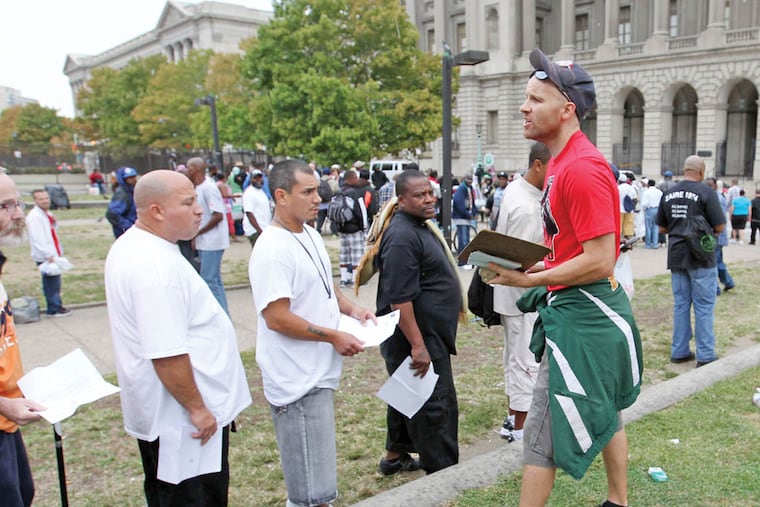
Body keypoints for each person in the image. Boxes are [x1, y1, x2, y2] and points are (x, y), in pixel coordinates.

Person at [487, 48, 643, 507]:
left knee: (539, 433)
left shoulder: (581, 167)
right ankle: (618, 501)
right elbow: (574, 249)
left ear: (566, 109)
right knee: (606, 405)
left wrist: (530, 282)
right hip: (579, 309)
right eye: (526, 98)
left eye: (535, 98)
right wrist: (537, 266)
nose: (523, 107)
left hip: (585, 314)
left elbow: (601, 260)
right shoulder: (560, 162)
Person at [104, 170, 250, 506]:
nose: (199, 209)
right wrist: (198, 408)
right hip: (181, 421)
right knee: (194, 498)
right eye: (188, 202)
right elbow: (166, 351)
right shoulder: (153, 266)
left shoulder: (146, 246)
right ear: (156, 210)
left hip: (177, 414)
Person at [249, 160, 372, 507]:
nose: (318, 198)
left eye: (317, 189)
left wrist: (352, 309)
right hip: (295, 380)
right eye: (308, 192)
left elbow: (323, 284)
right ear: (281, 196)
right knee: (309, 493)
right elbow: (277, 318)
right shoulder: (272, 249)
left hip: (316, 374)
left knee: (319, 487)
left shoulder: (310, 233)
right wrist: (333, 335)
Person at [374, 169, 463, 475]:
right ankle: (444, 476)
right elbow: (400, 300)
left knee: (405, 396)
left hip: (427, 335)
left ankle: (394, 456)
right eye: (419, 195)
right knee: (435, 409)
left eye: (429, 192)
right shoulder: (401, 237)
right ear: (400, 200)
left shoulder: (417, 226)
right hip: (418, 340)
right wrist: (418, 346)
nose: (428, 199)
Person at [492, 142, 549, 443]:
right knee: (526, 363)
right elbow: (526, 262)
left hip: (511, 298)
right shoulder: (527, 207)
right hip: (521, 298)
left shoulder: (516, 188)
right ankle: (520, 431)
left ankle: (512, 419)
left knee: (515, 358)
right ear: (537, 165)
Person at [0, 174, 46, 507]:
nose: (18, 213)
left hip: (7, 422)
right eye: (5, 206)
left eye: (18, 202)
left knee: (22, 495)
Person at [656, 155, 725, 367]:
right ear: (702, 172)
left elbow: (661, 228)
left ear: (684, 170)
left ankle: (679, 351)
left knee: (681, 305)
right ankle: (705, 355)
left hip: (676, 255)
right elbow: (720, 226)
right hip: (701, 257)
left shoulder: (668, 193)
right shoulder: (707, 192)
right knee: (704, 306)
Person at [186, 157, 230, 314]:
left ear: (196, 169)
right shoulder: (197, 188)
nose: (186, 170)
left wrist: (197, 233)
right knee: (214, 280)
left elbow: (218, 215)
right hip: (205, 242)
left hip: (213, 242)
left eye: (189, 167)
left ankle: (221, 314)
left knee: (209, 280)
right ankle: (222, 313)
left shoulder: (208, 188)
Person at [25, 189, 71, 317]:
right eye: (41, 199)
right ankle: (53, 308)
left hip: (53, 252)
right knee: (50, 282)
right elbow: (37, 238)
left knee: (55, 281)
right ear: (35, 201)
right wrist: (47, 254)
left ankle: (57, 305)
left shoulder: (47, 214)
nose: (45, 201)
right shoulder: (34, 217)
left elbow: (51, 232)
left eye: (46, 198)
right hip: (46, 255)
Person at [336, 169, 368, 288]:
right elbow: (361, 212)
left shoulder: (338, 192)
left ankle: (344, 279)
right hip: (354, 228)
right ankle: (356, 279)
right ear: (351, 179)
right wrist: (364, 227)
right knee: (356, 253)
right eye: (355, 177)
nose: (357, 180)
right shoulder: (355, 193)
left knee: (344, 253)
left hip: (341, 227)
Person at [705, 177, 735, 295]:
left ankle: (716, 288)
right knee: (717, 261)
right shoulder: (712, 196)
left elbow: (719, 219)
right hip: (714, 235)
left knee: (713, 262)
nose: (707, 187)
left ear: (715, 186)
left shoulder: (716, 198)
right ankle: (728, 282)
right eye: (706, 185)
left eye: (710, 185)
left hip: (716, 235)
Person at [241, 169, 272, 247]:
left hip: (264, 228)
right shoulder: (249, 193)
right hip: (255, 230)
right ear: (251, 179)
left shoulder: (261, 191)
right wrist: (259, 230)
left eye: (260, 178)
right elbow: (249, 213)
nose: (258, 180)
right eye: (255, 178)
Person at [106, 166, 138, 238]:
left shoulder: (132, 191)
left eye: (134, 177)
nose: (133, 180)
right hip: (126, 234)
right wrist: (128, 226)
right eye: (129, 178)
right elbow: (112, 214)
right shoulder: (122, 194)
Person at [452, 173, 477, 263]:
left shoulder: (470, 189)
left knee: (465, 240)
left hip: (466, 217)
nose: (470, 182)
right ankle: (462, 262)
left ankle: (464, 261)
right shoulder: (461, 189)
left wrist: (474, 211)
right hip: (461, 218)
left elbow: (472, 202)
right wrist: (468, 214)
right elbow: (459, 203)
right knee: (463, 241)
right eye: (468, 180)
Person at [640, 178, 663, 249]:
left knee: (648, 227)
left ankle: (648, 244)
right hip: (657, 209)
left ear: (648, 184)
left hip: (649, 209)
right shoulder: (659, 192)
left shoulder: (646, 192)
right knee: (655, 227)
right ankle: (655, 244)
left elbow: (644, 203)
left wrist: (644, 209)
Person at [617, 172, 637, 240]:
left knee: (619, 226)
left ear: (619, 181)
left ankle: (619, 239)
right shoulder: (631, 188)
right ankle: (628, 240)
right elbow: (635, 199)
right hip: (629, 210)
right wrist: (633, 207)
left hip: (619, 210)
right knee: (628, 226)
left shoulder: (618, 188)